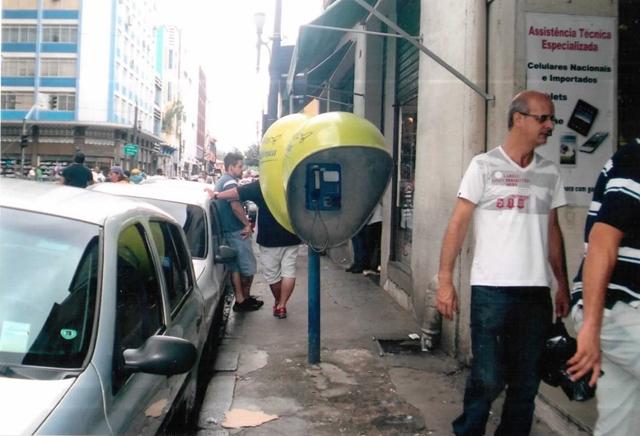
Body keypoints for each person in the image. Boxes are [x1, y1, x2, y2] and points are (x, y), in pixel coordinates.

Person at [436, 90, 570, 436]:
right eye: (543, 118)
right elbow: (458, 224)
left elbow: (553, 232)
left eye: (552, 119)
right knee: (488, 378)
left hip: (536, 295)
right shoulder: (484, 166)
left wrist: (562, 285)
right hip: (492, 292)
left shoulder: (549, 172)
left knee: (526, 384)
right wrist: (445, 279)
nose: (550, 126)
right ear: (518, 119)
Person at [566, 140, 640, 436]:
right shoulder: (635, 161)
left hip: (617, 315)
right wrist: (591, 328)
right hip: (619, 309)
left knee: (620, 424)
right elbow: (602, 243)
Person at [207, 180, 300, 319]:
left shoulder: (264, 183)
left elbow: (236, 193)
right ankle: (282, 305)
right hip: (292, 234)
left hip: (269, 238)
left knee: (273, 275)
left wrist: (216, 195)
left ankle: (278, 303)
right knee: (289, 272)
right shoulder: (291, 179)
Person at [214, 153, 261, 312]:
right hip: (236, 231)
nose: (242, 169)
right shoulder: (229, 182)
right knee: (249, 268)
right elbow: (235, 206)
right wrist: (247, 224)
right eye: (240, 166)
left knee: (235, 268)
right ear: (231, 167)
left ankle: (241, 299)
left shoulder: (221, 181)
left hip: (228, 231)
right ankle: (244, 299)